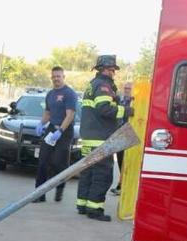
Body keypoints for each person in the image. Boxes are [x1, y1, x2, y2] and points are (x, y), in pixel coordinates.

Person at [76, 55, 125, 221]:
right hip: (100, 139)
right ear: (104, 69)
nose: (113, 73)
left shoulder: (92, 84)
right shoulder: (104, 85)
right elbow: (104, 109)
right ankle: (94, 209)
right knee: (102, 175)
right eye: (112, 70)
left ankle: (82, 205)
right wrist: (125, 111)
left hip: (89, 137)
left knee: (88, 173)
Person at [33, 66, 78, 203]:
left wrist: (60, 131)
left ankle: (60, 188)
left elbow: (70, 115)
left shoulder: (69, 93)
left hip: (64, 131)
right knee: (43, 161)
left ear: (63, 77)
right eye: (54, 76)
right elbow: (47, 113)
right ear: (51, 78)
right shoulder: (50, 94)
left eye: (59, 76)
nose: (56, 79)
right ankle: (39, 194)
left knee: (59, 162)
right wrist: (41, 124)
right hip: (51, 129)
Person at [110, 82, 134, 196]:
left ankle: (122, 185)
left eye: (129, 88)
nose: (127, 90)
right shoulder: (120, 100)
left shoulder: (135, 101)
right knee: (120, 161)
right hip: (119, 133)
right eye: (125, 88)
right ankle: (121, 184)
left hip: (129, 134)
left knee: (126, 161)